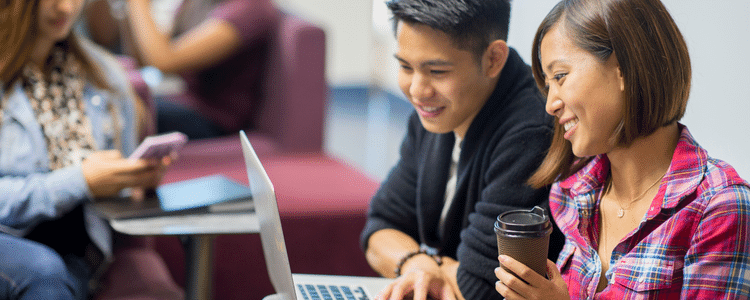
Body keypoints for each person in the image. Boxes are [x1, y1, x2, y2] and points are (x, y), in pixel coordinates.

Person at [494, 0, 750, 298]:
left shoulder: (720, 206)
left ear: (624, 69)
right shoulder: (572, 192)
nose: (551, 104)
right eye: (547, 85)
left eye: (560, 76)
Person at [359, 0, 564, 299]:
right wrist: (418, 265)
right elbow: (379, 228)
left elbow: (481, 287)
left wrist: (433, 266)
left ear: (493, 58)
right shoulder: (437, 112)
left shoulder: (531, 132)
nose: (417, 90)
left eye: (437, 71)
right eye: (405, 66)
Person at [0, 0, 173, 298]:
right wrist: (80, 181)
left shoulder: (105, 75)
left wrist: (134, 179)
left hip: (76, 253)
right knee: (44, 271)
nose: (66, 8)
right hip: (15, 243)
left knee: (56, 275)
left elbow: (116, 190)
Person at [85, 0, 279, 139]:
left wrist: (138, 4)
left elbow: (164, 61)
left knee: (114, 110)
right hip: (184, 97)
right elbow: (145, 58)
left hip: (214, 118)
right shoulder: (198, 4)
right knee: (102, 99)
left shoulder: (250, 9)